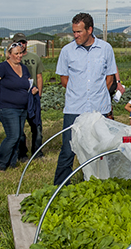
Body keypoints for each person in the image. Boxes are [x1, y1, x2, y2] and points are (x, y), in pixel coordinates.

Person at [54, 12, 118, 185]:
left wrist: (97, 94)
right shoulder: (67, 51)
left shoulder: (105, 49)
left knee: (100, 149)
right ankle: (59, 187)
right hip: (74, 108)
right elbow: (64, 79)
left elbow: (110, 77)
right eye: (74, 31)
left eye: (79, 31)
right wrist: (80, 92)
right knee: (68, 150)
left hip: (99, 109)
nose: (75, 35)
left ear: (90, 30)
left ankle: (99, 183)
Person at [0, 42, 33, 171]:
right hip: (7, 107)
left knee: (19, 135)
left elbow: (28, 84)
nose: (19, 56)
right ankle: (0, 164)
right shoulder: (2, 67)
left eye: (21, 53)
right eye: (16, 53)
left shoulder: (24, 68)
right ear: (9, 54)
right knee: (13, 136)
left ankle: (11, 163)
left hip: (22, 108)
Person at [15, 33, 44, 160]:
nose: (22, 45)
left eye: (24, 42)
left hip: (33, 96)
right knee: (19, 128)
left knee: (37, 126)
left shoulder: (35, 57)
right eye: (19, 43)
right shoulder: (12, 59)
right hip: (19, 97)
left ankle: (37, 152)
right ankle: (22, 153)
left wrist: (39, 94)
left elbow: (39, 76)